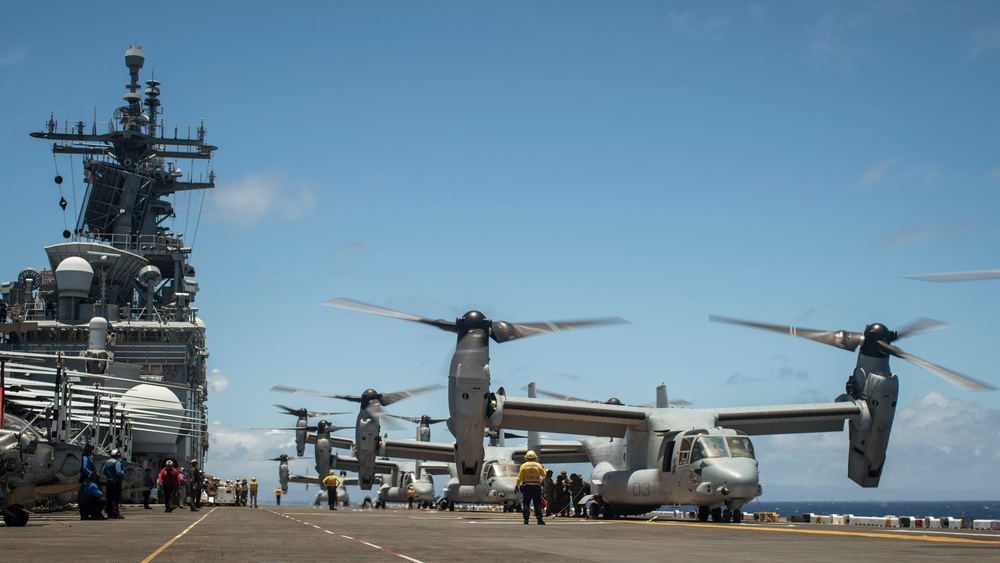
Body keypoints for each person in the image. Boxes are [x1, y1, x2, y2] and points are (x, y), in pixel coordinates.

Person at [514, 450, 545, 525]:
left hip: (526, 486)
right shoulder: (538, 465)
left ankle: (526, 519)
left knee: (526, 503)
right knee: (537, 503)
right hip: (536, 486)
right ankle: (539, 518)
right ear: (535, 457)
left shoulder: (523, 466)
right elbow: (544, 474)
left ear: (526, 458)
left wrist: (516, 486)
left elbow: (519, 478)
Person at [102, 449, 125, 519]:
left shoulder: (107, 462)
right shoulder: (117, 462)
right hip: (115, 482)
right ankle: (115, 513)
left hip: (108, 481)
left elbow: (104, 472)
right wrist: (124, 472)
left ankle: (109, 513)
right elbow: (119, 472)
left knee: (109, 498)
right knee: (115, 498)